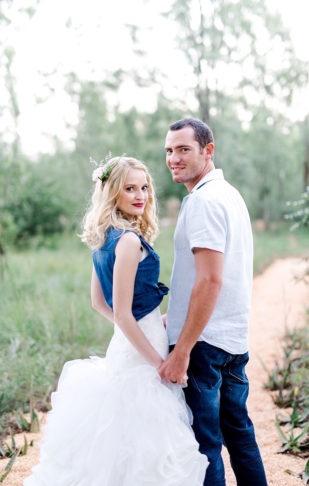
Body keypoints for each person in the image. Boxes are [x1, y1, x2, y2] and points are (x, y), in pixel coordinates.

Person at [24, 156, 208, 486]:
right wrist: (158, 362)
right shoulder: (128, 241)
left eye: (145, 188)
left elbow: (100, 303)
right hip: (141, 349)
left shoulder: (103, 239)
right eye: (130, 189)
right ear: (113, 193)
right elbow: (122, 312)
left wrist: (148, 319)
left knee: (125, 431)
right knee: (145, 435)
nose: (140, 195)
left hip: (130, 340)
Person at [159, 119, 268, 486]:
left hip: (204, 346)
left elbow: (210, 279)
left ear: (208, 150)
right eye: (170, 150)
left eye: (184, 149)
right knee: (239, 434)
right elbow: (206, 275)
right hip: (232, 339)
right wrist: (171, 316)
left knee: (205, 445)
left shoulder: (203, 201)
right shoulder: (228, 194)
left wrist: (181, 351)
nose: (174, 158)